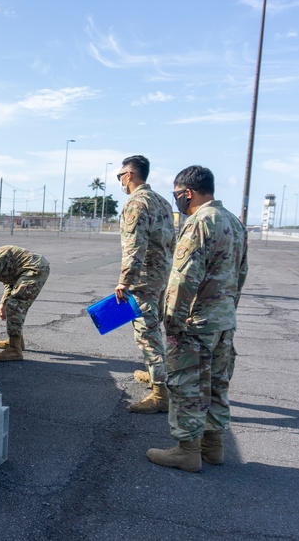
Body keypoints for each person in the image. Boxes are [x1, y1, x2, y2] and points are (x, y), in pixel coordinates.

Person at [146, 165, 248, 472]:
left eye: (177, 194)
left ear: (187, 192)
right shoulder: (234, 222)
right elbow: (241, 273)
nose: (176, 199)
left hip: (196, 323)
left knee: (187, 384)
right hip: (223, 321)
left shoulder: (198, 224)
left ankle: (187, 450)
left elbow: (182, 279)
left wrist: (172, 322)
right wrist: (228, 309)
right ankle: (213, 446)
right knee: (217, 384)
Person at [114, 155, 175, 413]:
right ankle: (154, 375)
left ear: (129, 175)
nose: (119, 180)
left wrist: (124, 281)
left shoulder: (136, 203)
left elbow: (134, 247)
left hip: (144, 280)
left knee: (147, 334)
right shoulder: (161, 201)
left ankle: (161, 394)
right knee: (153, 328)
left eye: (119, 176)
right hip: (161, 276)